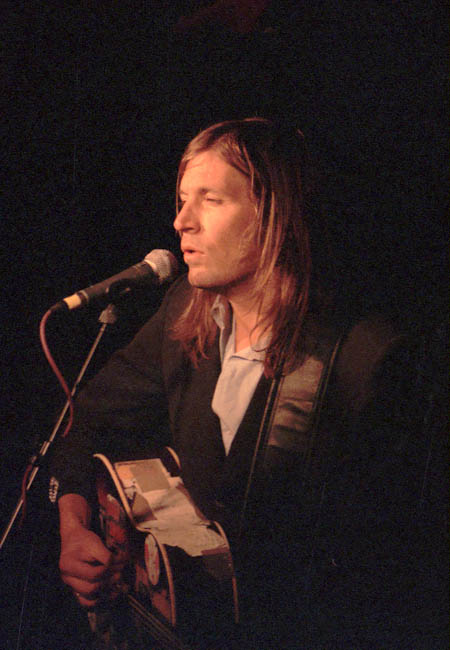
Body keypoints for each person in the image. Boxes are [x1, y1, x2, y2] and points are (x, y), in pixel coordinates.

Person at [50, 117, 439, 648]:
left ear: (275, 215)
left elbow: (396, 570)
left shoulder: (368, 359)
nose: (181, 221)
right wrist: (75, 529)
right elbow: (89, 421)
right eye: (183, 199)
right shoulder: (185, 311)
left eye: (210, 199)